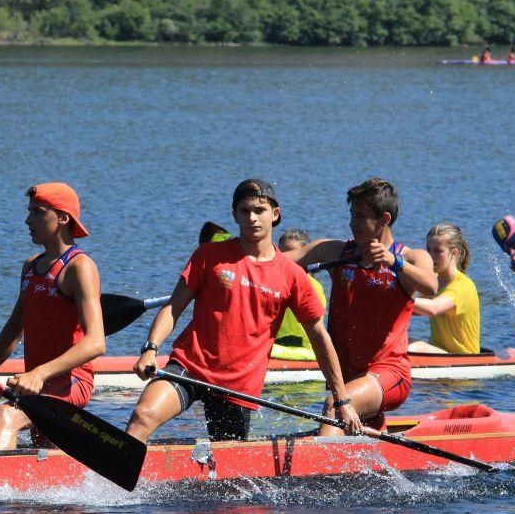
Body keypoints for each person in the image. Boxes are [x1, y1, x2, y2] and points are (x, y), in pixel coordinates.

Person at [126, 179, 355, 443]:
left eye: (260, 210)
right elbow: (173, 308)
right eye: (244, 211)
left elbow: (319, 337)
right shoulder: (208, 255)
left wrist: (342, 400)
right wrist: (150, 349)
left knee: (226, 476)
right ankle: (116, 481)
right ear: (235, 214)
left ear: (275, 214)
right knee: (143, 416)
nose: (252, 218)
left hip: (238, 388)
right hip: (190, 367)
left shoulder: (292, 276)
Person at [0, 182, 105, 450]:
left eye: (38, 212)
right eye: (29, 212)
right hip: (34, 385)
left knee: (5, 415)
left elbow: (96, 342)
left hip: (70, 383)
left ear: (63, 218)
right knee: (47, 451)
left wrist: (39, 374)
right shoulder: (30, 267)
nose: (28, 220)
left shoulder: (80, 267)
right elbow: (14, 330)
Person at [286, 178, 437, 435]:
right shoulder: (336, 252)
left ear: (384, 219)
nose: (352, 224)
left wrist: (394, 262)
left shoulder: (412, 257)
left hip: (390, 373)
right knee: (361, 443)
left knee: (335, 405)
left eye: (360, 216)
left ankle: (315, 475)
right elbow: (276, 262)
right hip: (347, 376)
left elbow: (431, 286)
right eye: (351, 215)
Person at [408, 223, 480, 354]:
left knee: (411, 347)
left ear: (454, 253)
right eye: (428, 250)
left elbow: (433, 308)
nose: (431, 256)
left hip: (462, 358)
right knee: (397, 340)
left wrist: (398, 300)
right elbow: (415, 308)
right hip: (438, 351)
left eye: (438, 251)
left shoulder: (463, 285)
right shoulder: (433, 280)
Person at [270, 228, 327, 361]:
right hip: (277, 345)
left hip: (303, 350)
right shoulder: (272, 281)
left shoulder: (313, 286)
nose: (287, 258)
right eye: (282, 253)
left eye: (293, 253)